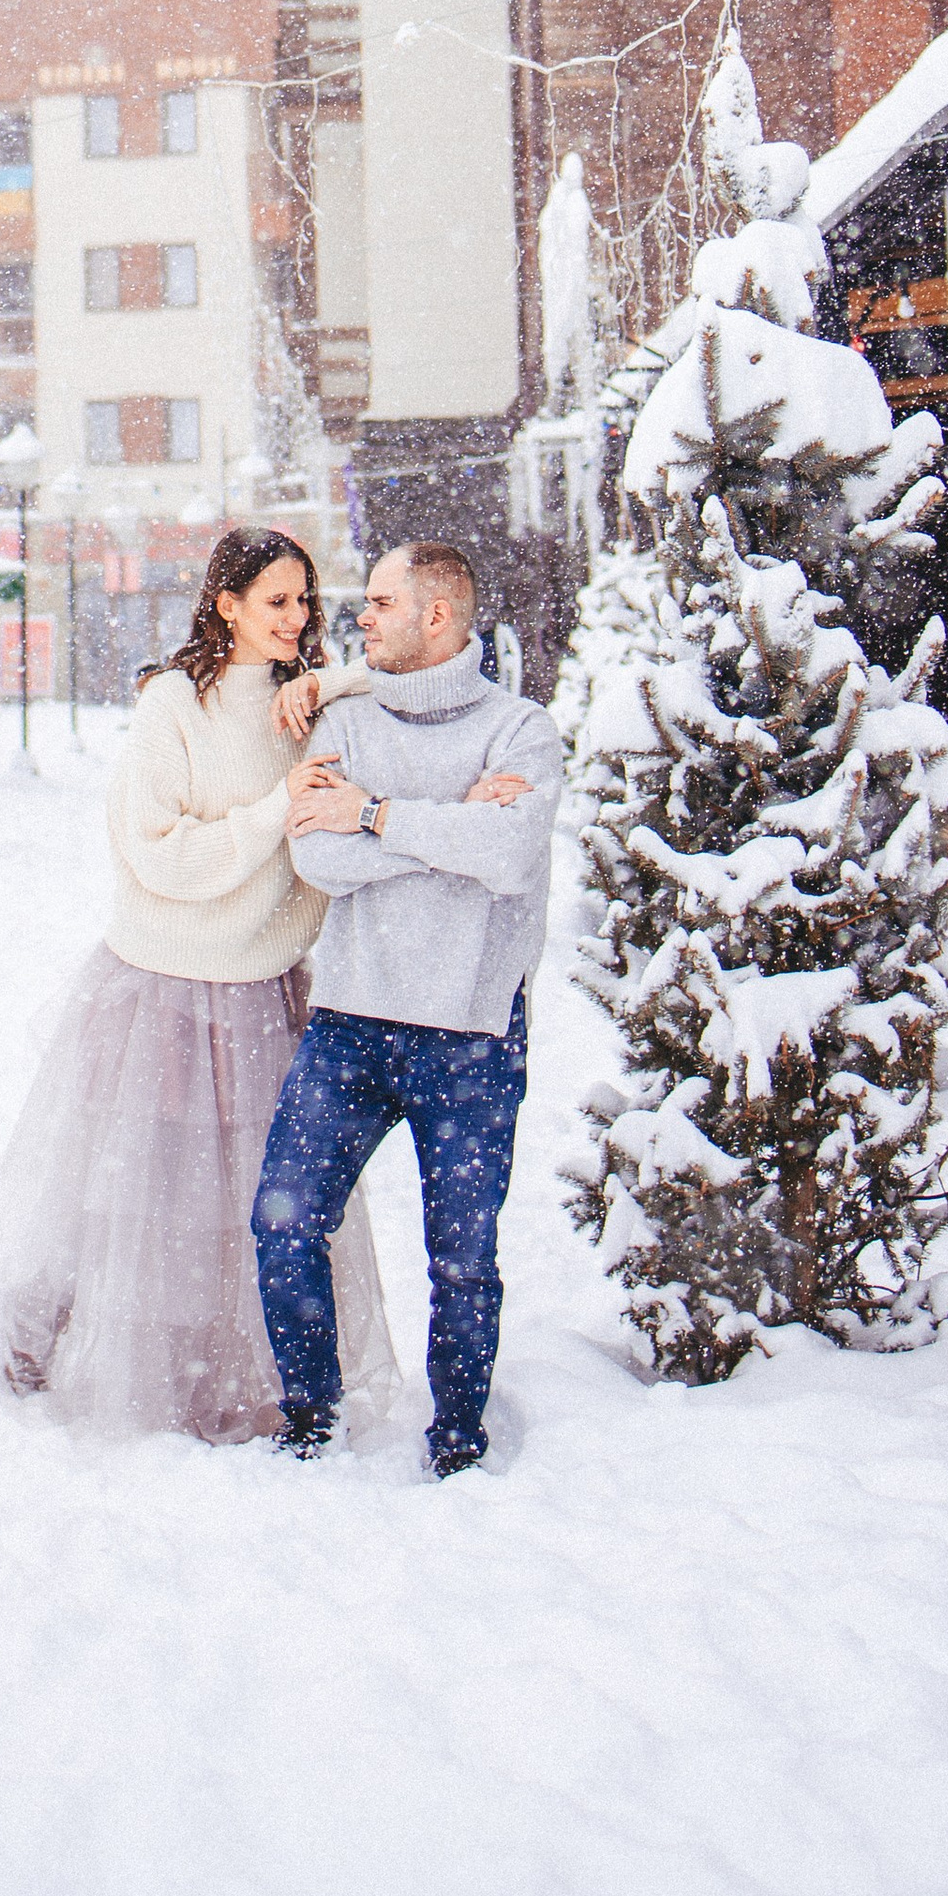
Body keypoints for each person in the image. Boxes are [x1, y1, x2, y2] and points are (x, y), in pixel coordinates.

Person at [0, 528, 396, 1444]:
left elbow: (399, 682)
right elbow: (159, 857)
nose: (296, 618)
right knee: (136, 1198)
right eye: (274, 601)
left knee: (252, 1214)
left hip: (263, 994)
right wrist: (277, 809)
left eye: (304, 600)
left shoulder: (307, 703)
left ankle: (236, 1374)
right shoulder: (173, 704)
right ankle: (87, 1357)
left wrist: (333, 680)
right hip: (164, 992)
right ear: (226, 605)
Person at [253, 541, 563, 1479]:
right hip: (349, 1025)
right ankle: (312, 1418)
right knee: (284, 1224)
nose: (359, 617)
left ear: (437, 615)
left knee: (462, 1264)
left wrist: (379, 814)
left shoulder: (522, 732)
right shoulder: (343, 716)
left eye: (381, 602)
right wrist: (453, 826)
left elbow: (510, 860)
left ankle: (459, 1446)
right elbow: (319, 859)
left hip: (471, 1034)